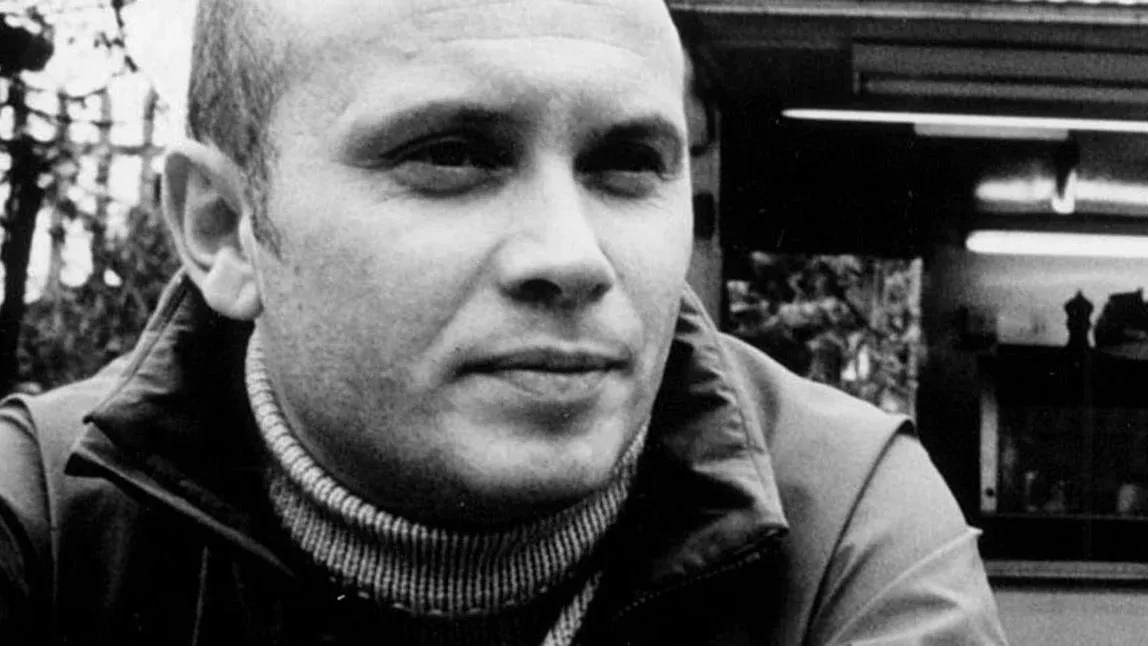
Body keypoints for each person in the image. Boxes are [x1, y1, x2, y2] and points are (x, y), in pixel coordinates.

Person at [0, 0, 1009, 643]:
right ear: (224, 229)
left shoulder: (838, 520)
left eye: (627, 164)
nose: (570, 256)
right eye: (450, 155)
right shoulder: (47, 517)